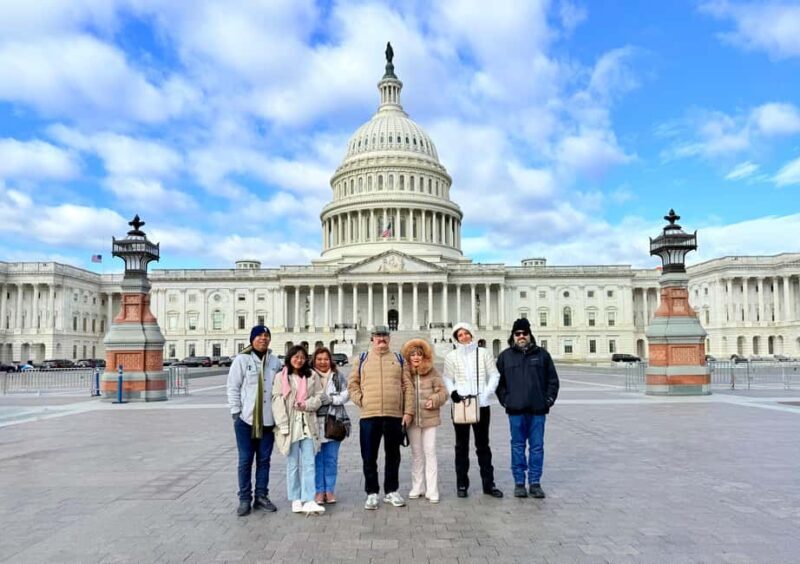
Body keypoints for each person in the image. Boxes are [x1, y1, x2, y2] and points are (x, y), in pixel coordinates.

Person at [348, 325, 414, 510]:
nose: (381, 339)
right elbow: (352, 384)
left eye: (384, 335)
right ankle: (372, 492)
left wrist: (408, 411)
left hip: (394, 415)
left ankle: (391, 490)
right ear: (372, 338)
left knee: (393, 455)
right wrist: (362, 400)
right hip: (369, 414)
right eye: (378, 336)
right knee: (369, 456)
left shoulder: (399, 359)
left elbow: (408, 386)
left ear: (389, 338)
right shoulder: (362, 359)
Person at [496, 318, 560, 499]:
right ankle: (519, 483)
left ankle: (535, 482)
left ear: (530, 335)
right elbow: (498, 384)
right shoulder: (505, 356)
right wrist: (506, 401)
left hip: (537, 410)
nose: (521, 336)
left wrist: (547, 400)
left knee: (537, 447)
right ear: (513, 336)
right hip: (515, 410)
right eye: (518, 334)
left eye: (524, 333)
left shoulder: (542, 355)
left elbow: (553, 381)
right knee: (517, 446)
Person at [442, 322, 504, 499]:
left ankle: (488, 484)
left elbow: (494, 375)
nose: (463, 337)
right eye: (459, 335)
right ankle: (462, 484)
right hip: (460, 404)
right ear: (456, 338)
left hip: (481, 404)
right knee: (461, 446)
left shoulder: (483, 353)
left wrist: (485, 394)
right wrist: (453, 392)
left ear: (471, 334)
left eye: (466, 333)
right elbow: (447, 377)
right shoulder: (451, 356)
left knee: (483, 445)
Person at [226, 325, 282, 516]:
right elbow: (233, 387)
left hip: (268, 419)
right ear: (252, 339)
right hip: (246, 420)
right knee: (245, 460)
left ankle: (261, 496)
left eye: (266, 336)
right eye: (259, 336)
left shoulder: (275, 362)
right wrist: (236, 412)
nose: (263, 339)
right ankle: (244, 499)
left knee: (264, 460)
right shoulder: (242, 360)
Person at [272, 345, 325, 515]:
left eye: (302, 357)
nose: (299, 359)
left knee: (309, 463)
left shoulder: (312, 375)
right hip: (290, 424)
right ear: (289, 357)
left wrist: (306, 405)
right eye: (296, 356)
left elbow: (319, 397)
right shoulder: (281, 377)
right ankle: (295, 498)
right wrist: (283, 424)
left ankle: (309, 499)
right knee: (293, 464)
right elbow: (277, 401)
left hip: (308, 423)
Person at [401, 338, 448, 503]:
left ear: (424, 357)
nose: (416, 357)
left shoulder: (432, 372)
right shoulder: (404, 373)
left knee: (430, 452)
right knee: (416, 454)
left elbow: (443, 392)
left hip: (430, 418)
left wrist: (434, 399)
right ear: (408, 357)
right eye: (412, 354)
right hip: (412, 420)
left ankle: (432, 489)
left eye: (419, 355)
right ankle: (418, 486)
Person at [311, 347, 350, 505]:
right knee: (317, 459)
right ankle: (319, 491)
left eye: (326, 359)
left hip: (333, 421)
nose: (322, 362)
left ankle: (329, 490)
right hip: (314, 422)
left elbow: (347, 393)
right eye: (319, 359)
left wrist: (332, 399)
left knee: (331, 459)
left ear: (330, 360)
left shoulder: (338, 376)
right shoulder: (308, 375)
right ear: (314, 360)